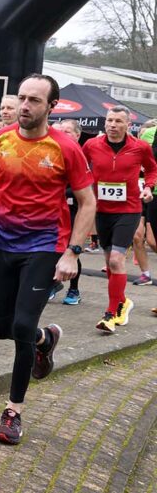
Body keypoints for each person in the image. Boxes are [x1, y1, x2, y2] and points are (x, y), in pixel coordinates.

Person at [0, 74, 95, 445]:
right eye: (22, 98)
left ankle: (13, 412)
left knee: (22, 327)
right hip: (3, 243)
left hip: (44, 244)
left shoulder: (66, 148)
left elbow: (88, 202)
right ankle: (45, 340)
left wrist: (72, 252)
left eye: (34, 101)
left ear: (51, 107)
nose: (25, 106)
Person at [81, 105, 156, 333]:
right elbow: (81, 168)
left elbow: (152, 169)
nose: (113, 125)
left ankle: (112, 314)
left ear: (128, 125)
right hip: (102, 210)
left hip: (129, 209)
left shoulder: (140, 147)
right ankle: (123, 301)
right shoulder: (91, 145)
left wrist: (149, 187)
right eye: (110, 120)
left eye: (118, 121)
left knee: (116, 260)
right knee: (109, 262)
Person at [55, 119, 85, 305]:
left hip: (75, 209)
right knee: (52, 249)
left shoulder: (81, 154)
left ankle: (74, 289)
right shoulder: (53, 151)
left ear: (77, 135)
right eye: (61, 131)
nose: (62, 135)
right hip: (54, 211)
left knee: (70, 249)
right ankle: (53, 283)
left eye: (67, 132)